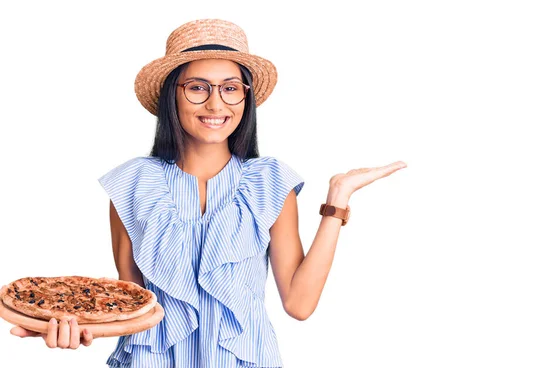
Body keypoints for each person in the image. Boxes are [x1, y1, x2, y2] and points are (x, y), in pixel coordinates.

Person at [10, 19, 407, 367]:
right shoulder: (132, 184)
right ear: (172, 94)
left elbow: (299, 305)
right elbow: (134, 305)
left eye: (231, 88)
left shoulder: (270, 183)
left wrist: (337, 200)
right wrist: (68, 324)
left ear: (246, 97)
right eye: (197, 87)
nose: (216, 103)